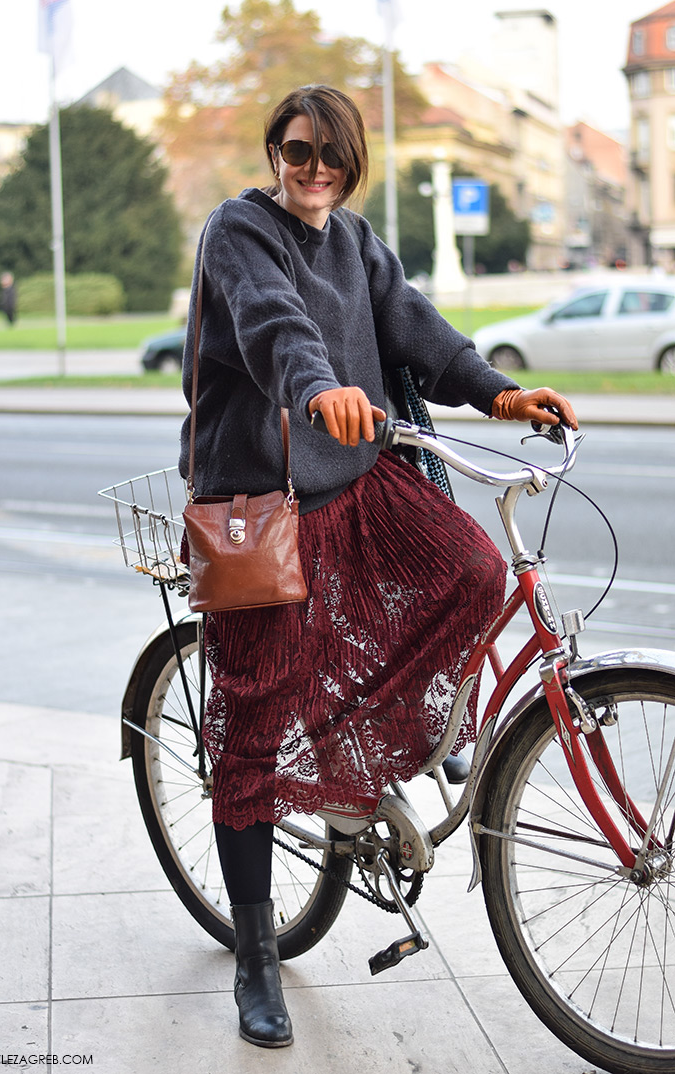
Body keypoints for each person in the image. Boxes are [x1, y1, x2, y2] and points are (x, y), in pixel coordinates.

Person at [179, 84, 577, 1050]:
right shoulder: (239, 232)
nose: (313, 172)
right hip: (262, 505)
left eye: (331, 158)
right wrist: (320, 391)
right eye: (297, 152)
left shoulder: (354, 240)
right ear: (275, 151)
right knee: (252, 724)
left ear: (353, 164)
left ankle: (353, 752)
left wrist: (499, 392)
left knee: (478, 576)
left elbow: (415, 326)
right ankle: (256, 956)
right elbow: (279, 328)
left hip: (355, 480)